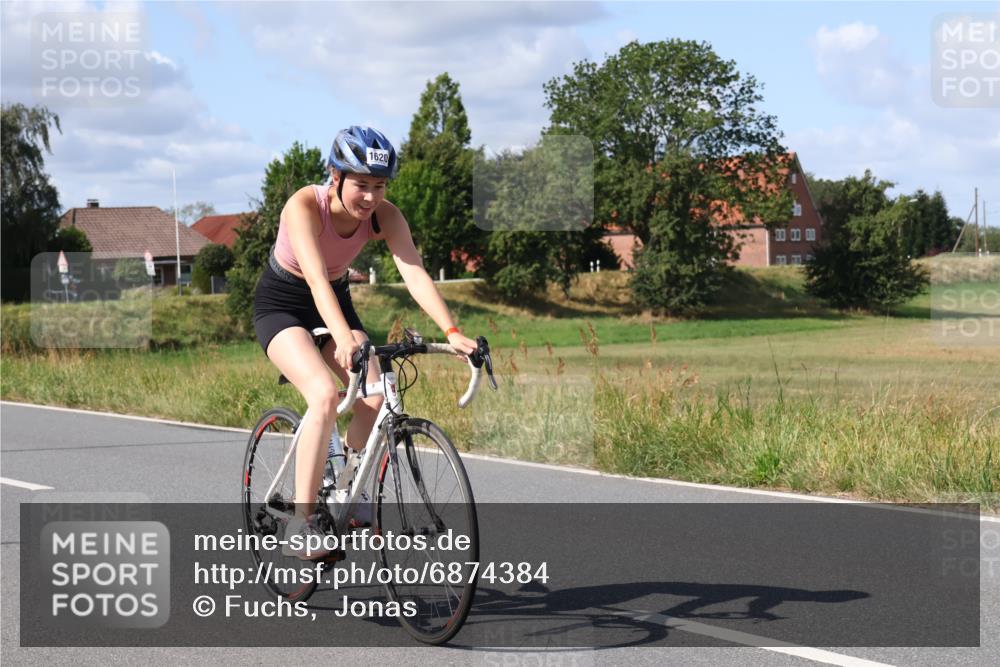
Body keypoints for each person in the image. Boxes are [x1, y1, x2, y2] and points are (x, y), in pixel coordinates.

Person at [252, 126, 478, 559]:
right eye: (362, 185)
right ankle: (301, 524)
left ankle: (342, 490)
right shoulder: (303, 205)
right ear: (335, 176)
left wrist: (452, 332)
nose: (371, 198)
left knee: (376, 395)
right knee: (322, 394)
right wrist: (341, 338)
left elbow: (413, 272)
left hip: (334, 298)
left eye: (380, 186)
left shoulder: (385, 215)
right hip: (282, 305)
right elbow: (315, 278)